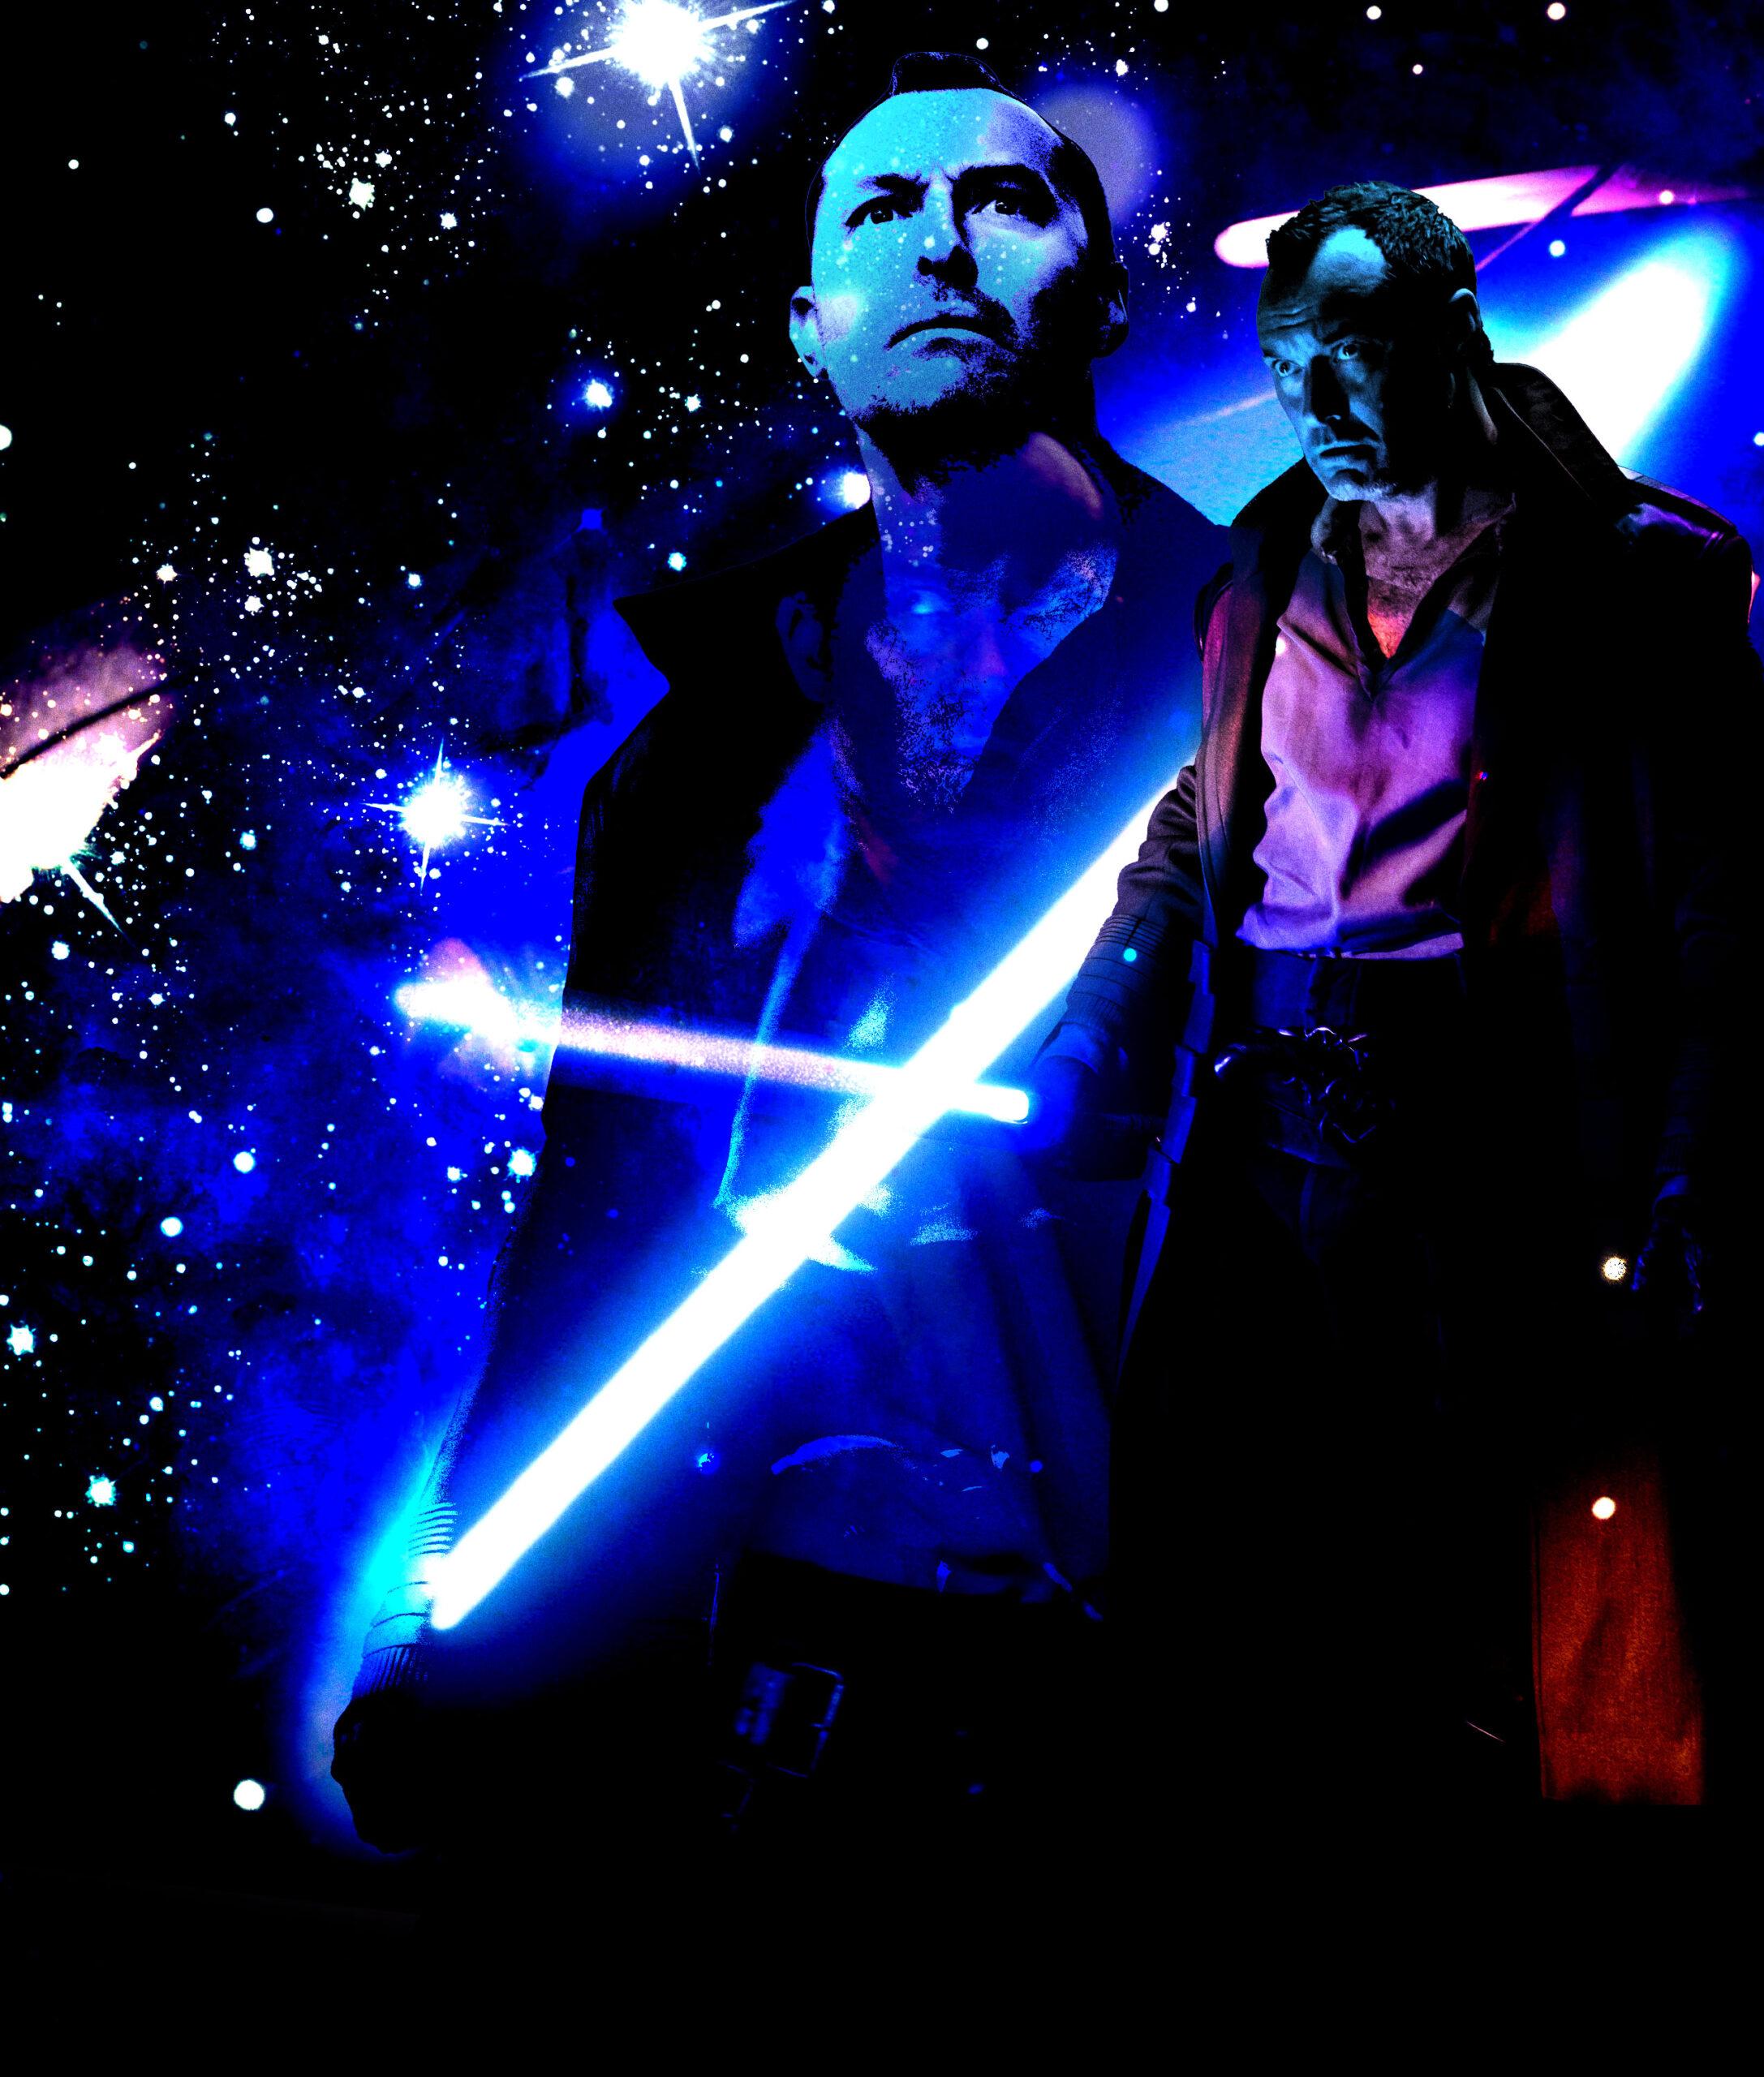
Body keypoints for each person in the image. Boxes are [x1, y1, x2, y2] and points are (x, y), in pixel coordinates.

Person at [332, 52, 1221, 1967]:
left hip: (1118, 1645)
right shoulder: (695, 749)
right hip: (719, 1609)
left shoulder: (1259, 664)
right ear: (812, 324)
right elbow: (595, 1212)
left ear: (1099, 293)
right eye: (880, 213)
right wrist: (466, 1630)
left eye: (1001, 201)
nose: (940, 247)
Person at [1031, 181, 1764, 1825]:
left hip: (1501, 1152)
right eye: (1283, 363)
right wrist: (1103, 1013)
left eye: (1349, 352)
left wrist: (1696, 1169)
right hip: (1257, 1146)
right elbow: (1202, 817)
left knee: (1489, 1605)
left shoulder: (1640, 580)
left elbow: (1725, 911)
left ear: (1452, 333)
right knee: (1216, 1584)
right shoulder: (1258, 567)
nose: (1309, 398)